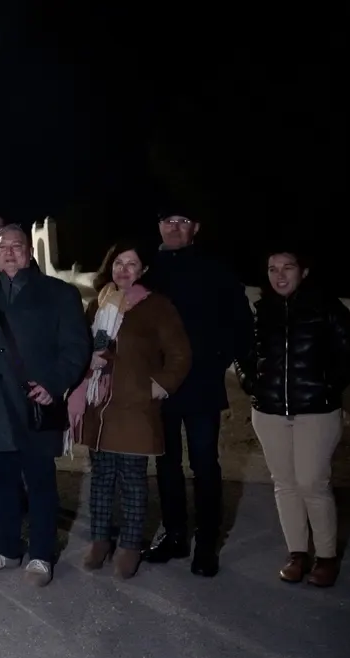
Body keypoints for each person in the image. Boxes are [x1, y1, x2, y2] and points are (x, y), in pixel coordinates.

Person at [0, 224, 90, 586]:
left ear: (29, 252)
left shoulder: (59, 294)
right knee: (0, 482)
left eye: (17, 246)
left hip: (34, 403)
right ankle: (7, 548)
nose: (10, 252)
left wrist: (54, 384)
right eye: (3, 247)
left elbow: (77, 347)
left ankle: (42, 555)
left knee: (40, 482)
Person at [236, 248, 350, 588]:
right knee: (285, 484)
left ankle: (325, 557)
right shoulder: (262, 312)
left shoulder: (327, 307)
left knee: (312, 482)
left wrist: (326, 387)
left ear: (303, 271)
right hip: (269, 411)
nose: (279, 275)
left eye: (287, 267)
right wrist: (253, 383)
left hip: (317, 412)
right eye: (272, 268)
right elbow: (244, 354)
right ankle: (297, 554)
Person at [141, 207, 253, 577]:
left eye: (183, 222)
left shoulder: (215, 268)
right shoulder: (147, 269)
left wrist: (219, 359)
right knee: (166, 464)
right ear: (159, 226)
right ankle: (174, 535)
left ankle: (206, 544)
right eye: (168, 221)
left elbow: (240, 320)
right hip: (159, 387)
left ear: (196, 228)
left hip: (202, 384)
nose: (174, 228)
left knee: (205, 465)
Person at [69, 241, 192, 579]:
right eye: (118, 262)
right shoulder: (98, 305)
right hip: (100, 406)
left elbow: (180, 354)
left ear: (143, 270)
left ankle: (130, 545)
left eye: (132, 264)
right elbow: (82, 346)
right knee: (102, 478)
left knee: (133, 480)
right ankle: (99, 540)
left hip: (135, 407)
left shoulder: (157, 307)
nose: (124, 269)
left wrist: (158, 386)